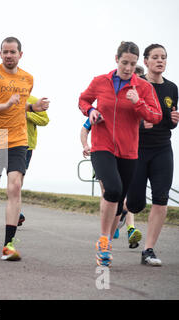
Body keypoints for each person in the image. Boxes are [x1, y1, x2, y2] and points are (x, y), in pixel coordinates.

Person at [78, 41, 162, 267]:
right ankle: (104, 241)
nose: (128, 68)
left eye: (133, 64)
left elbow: (156, 116)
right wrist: (92, 110)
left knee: (118, 201)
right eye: (124, 62)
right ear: (116, 59)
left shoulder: (143, 88)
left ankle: (106, 244)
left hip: (129, 151)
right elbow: (83, 100)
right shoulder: (100, 81)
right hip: (102, 145)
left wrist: (138, 103)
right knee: (113, 189)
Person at [0, 37, 49, 261]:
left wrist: (33, 107)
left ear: (20, 54)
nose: (9, 55)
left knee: (15, 187)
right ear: (0, 53)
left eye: (13, 52)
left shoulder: (27, 78)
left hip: (18, 139)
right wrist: (3, 106)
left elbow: (19, 105)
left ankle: (8, 245)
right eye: (5, 51)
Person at [125, 44, 178, 266]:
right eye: (155, 57)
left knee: (161, 199)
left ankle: (148, 250)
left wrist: (174, 121)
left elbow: (169, 119)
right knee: (135, 204)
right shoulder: (136, 85)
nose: (160, 61)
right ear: (145, 61)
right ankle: (120, 213)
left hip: (162, 148)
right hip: (138, 149)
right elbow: (127, 119)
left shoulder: (172, 88)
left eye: (163, 57)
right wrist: (140, 122)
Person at [81, 118, 142, 248]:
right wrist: (85, 145)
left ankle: (124, 226)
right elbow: (84, 128)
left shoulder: (126, 110)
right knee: (110, 192)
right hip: (104, 157)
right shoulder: (97, 111)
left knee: (119, 194)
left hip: (124, 157)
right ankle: (117, 227)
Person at [18, 95, 49, 226]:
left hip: (26, 145)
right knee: (11, 180)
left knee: (18, 180)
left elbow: (45, 120)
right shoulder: (2, 97)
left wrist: (28, 115)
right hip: (4, 143)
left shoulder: (32, 100)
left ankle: (16, 211)